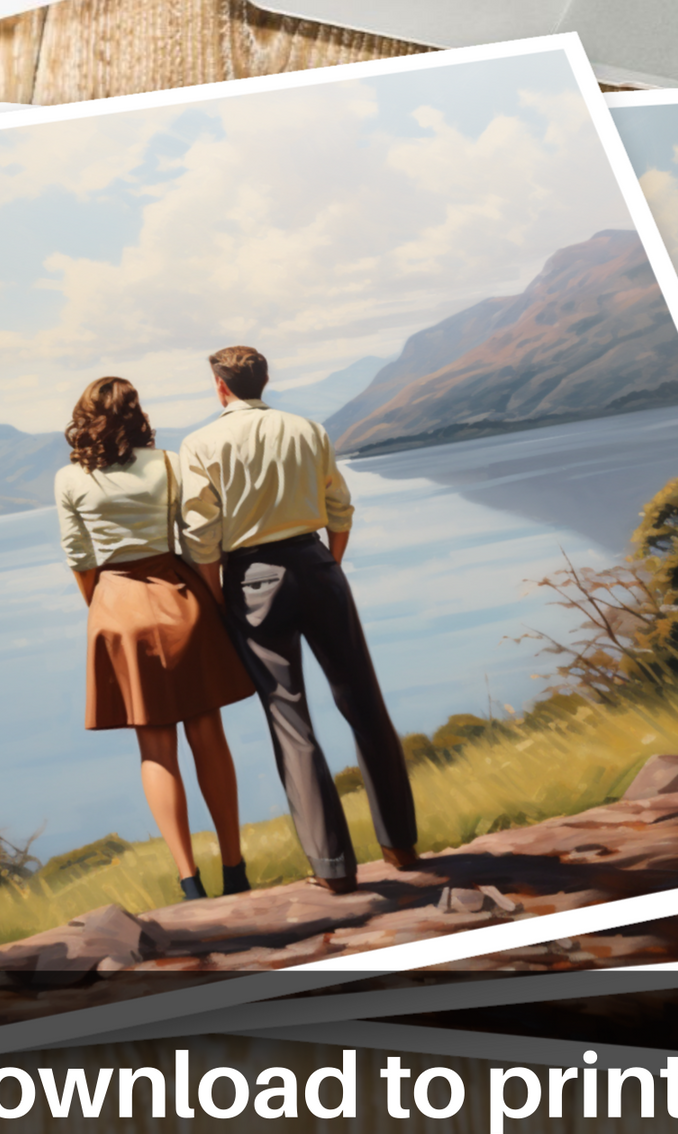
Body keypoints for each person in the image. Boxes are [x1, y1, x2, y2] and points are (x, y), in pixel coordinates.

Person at [179, 345, 417, 896]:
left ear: (220, 387)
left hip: (251, 579)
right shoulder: (307, 430)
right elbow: (340, 506)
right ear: (265, 380)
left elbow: (200, 536)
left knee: (290, 718)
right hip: (316, 563)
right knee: (364, 701)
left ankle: (333, 868)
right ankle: (400, 845)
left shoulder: (199, 444)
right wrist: (328, 564)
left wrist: (217, 600)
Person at [56, 375, 253, 901]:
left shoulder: (68, 479)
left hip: (116, 609)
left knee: (155, 746)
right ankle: (235, 869)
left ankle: (190, 882)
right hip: (178, 598)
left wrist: (104, 609)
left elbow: (80, 560)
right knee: (207, 733)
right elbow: (195, 537)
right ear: (136, 413)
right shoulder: (166, 463)